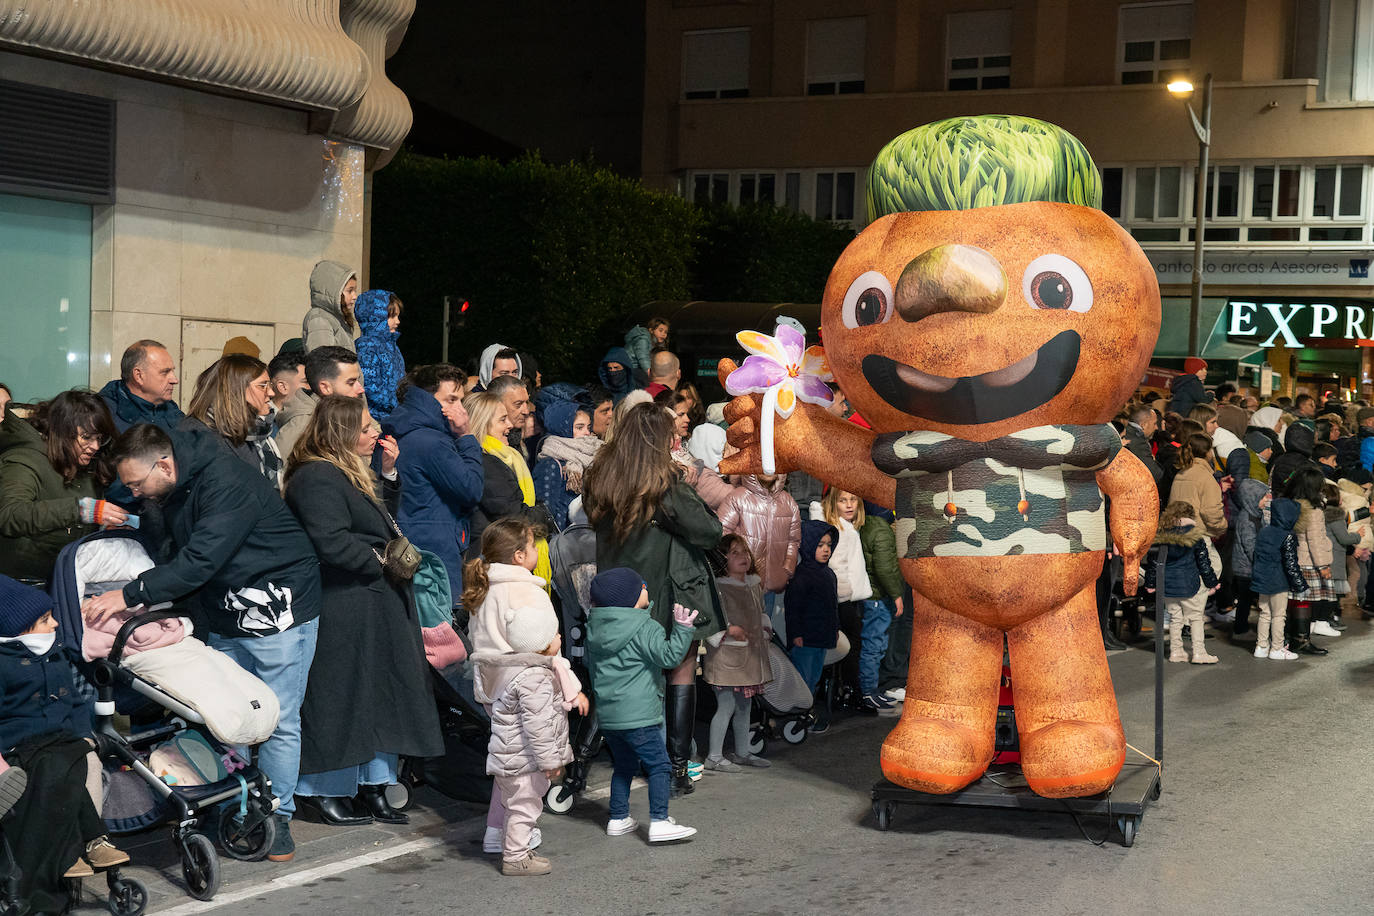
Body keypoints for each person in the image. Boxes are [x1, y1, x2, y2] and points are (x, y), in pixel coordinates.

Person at [86, 422, 322, 861]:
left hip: (279, 606)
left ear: (165, 464)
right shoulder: (171, 484)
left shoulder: (226, 481)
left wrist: (130, 594)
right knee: (219, 712)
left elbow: (199, 559)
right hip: (223, 609)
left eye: (137, 483)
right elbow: (174, 551)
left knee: (277, 717)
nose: (134, 492)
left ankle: (276, 814)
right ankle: (230, 803)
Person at [282, 396, 442, 828]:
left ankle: (374, 786)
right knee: (343, 695)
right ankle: (322, 791)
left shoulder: (341, 470)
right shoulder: (316, 475)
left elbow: (373, 522)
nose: (376, 432)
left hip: (372, 600)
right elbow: (330, 541)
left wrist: (388, 475)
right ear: (341, 431)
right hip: (346, 602)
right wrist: (382, 560)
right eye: (367, 426)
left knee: (379, 693)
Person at [582, 402, 723, 795]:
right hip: (665, 590)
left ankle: (582, 765)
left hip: (615, 592)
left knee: (618, 679)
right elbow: (710, 532)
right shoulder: (666, 484)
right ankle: (676, 768)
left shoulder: (602, 479)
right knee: (680, 670)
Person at [461, 516, 586, 856]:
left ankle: (493, 832)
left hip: (490, 685)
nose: (536, 550)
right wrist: (570, 686)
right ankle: (519, 836)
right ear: (518, 555)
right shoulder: (526, 590)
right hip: (524, 684)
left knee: (508, 767)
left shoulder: (485, 587)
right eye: (532, 546)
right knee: (528, 773)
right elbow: (542, 644)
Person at [583, 567, 699, 843]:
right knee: (659, 765)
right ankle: (659, 821)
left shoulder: (595, 627)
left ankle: (618, 818)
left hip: (610, 716)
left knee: (623, 765)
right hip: (640, 715)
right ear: (634, 597)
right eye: (643, 586)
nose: (647, 589)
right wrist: (683, 630)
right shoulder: (644, 626)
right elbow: (669, 657)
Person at [473, 608, 574, 876]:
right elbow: (538, 726)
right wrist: (551, 762)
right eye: (554, 634)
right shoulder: (535, 678)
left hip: (510, 756)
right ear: (539, 644)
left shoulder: (513, 670)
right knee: (525, 807)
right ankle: (516, 858)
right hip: (525, 761)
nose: (559, 636)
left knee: (514, 806)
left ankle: (516, 850)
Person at [383, 364, 483, 601]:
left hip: (413, 548)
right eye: (451, 400)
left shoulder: (400, 429)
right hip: (434, 557)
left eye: (460, 400)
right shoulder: (431, 442)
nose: (460, 409)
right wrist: (466, 436)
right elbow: (471, 488)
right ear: (425, 400)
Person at [0, 391, 124, 581]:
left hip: (61, 577)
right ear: (62, 431)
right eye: (86, 437)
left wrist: (104, 527)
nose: (95, 446)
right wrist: (81, 510)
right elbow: (11, 514)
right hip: (19, 581)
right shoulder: (24, 459)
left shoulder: (86, 464)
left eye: (99, 438)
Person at [703, 536, 773, 772]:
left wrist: (764, 628)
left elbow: (761, 612)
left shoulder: (753, 584)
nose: (743, 556)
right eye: (734, 553)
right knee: (726, 706)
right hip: (727, 658)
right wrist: (728, 630)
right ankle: (713, 756)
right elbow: (709, 618)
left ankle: (742, 752)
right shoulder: (717, 587)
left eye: (744, 552)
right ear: (722, 559)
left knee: (744, 706)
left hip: (748, 658)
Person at [463, 392, 555, 570]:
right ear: (482, 423)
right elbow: (515, 517)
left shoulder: (493, 458)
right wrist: (544, 513)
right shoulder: (486, 463)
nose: (510, 425)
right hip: (495, 562)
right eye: (502, 419)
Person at [810, 489, 873, 707]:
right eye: (843, 500)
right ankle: (850, 691)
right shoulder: (837, 529)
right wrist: (844, 595)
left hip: (842, 596)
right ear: (832, 503)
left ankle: (841, 690)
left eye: (853, 500)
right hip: (840, 598)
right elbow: (835, 566)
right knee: (849, 645)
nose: (849, 505)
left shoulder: (843, 527)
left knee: (844, 645)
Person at [185, 354, 282, 487]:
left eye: (269, 384)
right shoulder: (199, 437)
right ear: (235, 390)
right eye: (262, 386)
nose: (271, 393)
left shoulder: (257, 432)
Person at [1144, 501, 1220, 664]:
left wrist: (1151, 584)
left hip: (1168, 585)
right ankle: (1199, 653)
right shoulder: (1195, 536)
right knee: (1195, 618)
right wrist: (1211, 582)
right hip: (1188, 584)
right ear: (1190, 516)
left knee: (1175, 618)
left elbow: (1153, 562)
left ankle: (1176, 652)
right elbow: (1203, 563)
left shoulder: (1162, 535)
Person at [716, 472, 799, 614]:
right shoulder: (737, 498)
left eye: (774, 463)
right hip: (740, 584)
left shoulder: (789, 502)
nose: (769, 468)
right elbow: (721, 534)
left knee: (765, 630)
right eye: (762, 461)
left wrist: (787, 567)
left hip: (771, 586)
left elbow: (794, 540)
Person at [276, 346, 366, 459]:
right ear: (325, 387)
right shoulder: (303, 426)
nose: (361, 389)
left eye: (358, 380)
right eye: (351, 383)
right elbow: (280, 473)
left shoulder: (342, 414)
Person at [785, 520, 840, 700]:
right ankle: (797, 715)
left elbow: (833, 606)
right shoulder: (801, 576)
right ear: (808, 545)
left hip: (822, 637)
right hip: (805, 639)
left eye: (829, 545)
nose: (826, 550)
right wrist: (796, 634)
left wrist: (834, 629)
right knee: (802, 679)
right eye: (820, 545)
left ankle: (806, 714)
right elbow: (793, 608)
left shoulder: (829, 574)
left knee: (814, 677)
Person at [858, 500, 904, 711]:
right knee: (874, 647)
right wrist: (896, 595)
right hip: (878, 598)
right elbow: (886, 569)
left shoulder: (866, 525)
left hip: (871, 597)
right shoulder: (881, 529)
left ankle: (870, 691)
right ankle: (869, 692)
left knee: (874, 646)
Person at [1250, 495, 1306, 660]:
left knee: (1265, 612)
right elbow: (1290, 563)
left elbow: (1256, 556)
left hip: (1262, 577)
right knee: (1279, 615)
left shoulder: (1264, 531)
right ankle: (1277, 648)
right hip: (1278, 580)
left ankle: (1261, 646)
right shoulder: (1287, 535)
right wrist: (1300, 585)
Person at [532, 399, 600, 532]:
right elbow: (545, 514)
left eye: (588, 427)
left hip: (584, 539)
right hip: (563, 542)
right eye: (579, 427)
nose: (587, 433)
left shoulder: (590, 458)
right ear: (563, 429)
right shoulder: (550, 464)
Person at [1286, 467, 1333, 657]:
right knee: (1303, 601)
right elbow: (1315, 540)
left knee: (1295, 600)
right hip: (1308, 561)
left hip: (1294, 559)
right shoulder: (1314, 511)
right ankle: (1301, 640)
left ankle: (1292, 637)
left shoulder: (1291, 504)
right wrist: (1323, 566)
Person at [99, 339, 183, 433]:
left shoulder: (171, 409)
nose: (175, 380)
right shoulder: (103, 415)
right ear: (139, 376)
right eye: (165, 372)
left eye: (172, 371)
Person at [354, 289, 406, 422]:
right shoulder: (367, 346)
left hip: (395, 414)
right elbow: (371, 386)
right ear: (376, 317)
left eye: (398, 316)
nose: (397, 321)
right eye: (391, 316)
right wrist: (398, 404)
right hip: (376, 418)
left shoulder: (392, 346)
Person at [302, 259, 359, 352]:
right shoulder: (319, 319)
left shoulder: (337, 319)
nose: (354, 296)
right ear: (334, 292)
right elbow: (323, 361)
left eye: (355, 291)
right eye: (350, 291)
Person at [488, 374, 533, 456]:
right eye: (518, 404)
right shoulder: (486, 450)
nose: (526, 411)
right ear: (497, 404)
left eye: (527, 402)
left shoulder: (526, 438)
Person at [1121, 404, 1163, 487]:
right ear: (1143, 425)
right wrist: (1154, 460)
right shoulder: (1138, 442)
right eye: (1154, 423)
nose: (1156, 428)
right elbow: (1156, 475)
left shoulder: (1126, 433)